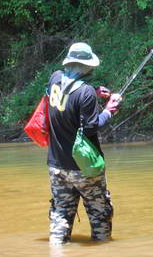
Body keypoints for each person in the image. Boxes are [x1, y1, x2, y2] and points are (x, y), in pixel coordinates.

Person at [46, 42, 122, 244]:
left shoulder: (55, 79)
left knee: (60, 214)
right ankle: (102, 253)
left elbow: (65, 101)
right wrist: (109, 110)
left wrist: (95, 93)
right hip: (84, 169)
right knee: (100, 214)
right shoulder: (85, 92)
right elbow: (91, 127)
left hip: (56, 167)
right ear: (85, 66)